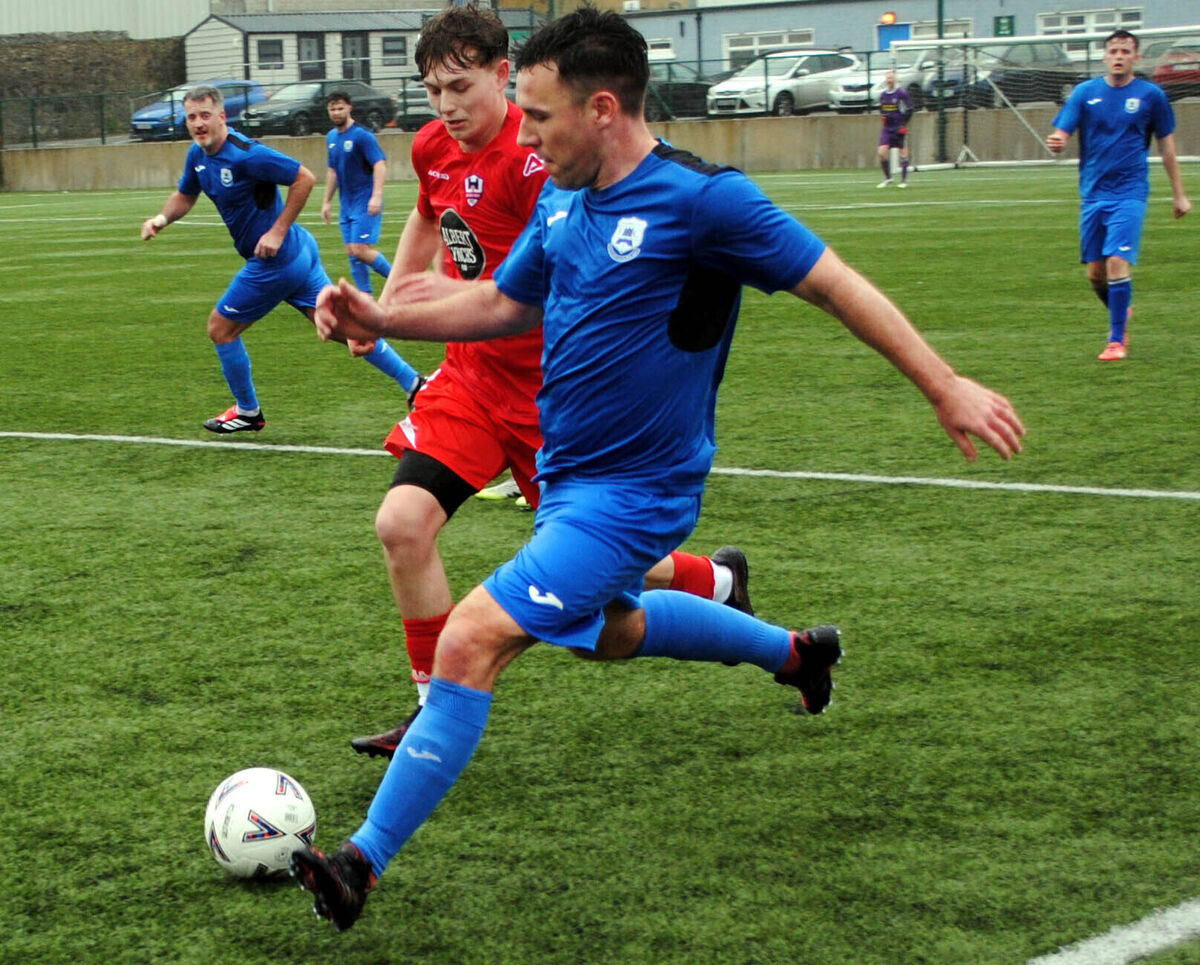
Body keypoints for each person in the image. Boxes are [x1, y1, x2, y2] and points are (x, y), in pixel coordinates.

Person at [291, 6, 1025, 932]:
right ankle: (798, 652)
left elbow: (833, 282)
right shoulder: (564, 200)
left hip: (637, 497)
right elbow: (505, 306)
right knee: (609, 631)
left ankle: (360, 861)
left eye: (544, 116)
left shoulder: (705, 202)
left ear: (602, 109)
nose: (532, 134)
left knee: (471, 638)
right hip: (569, 483)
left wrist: (944, 382)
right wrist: (381, 318)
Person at [349, 3, 759, 762]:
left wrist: (439, 301)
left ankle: (716, 580)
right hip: (472, 381)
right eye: (433, 90)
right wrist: (391, 299)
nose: (445, 107)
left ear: (505, 74)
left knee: (608, 589)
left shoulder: (544, 156)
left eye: (461, 86)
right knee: (402, 523)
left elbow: (544, 281)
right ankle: (429, 711)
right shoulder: (437, 145)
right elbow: (431, 211)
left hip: (553, 396)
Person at [140, 84, 421, 433]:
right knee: (340, 327)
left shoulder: (246, 154)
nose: (198, 123)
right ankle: (416, 384)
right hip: (299, 253)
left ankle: (248, 411)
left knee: (220, 329)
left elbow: (303, 178)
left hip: (277, 262)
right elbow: (185, 194)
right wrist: (160, 220)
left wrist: (276, 231)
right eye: (191, 117)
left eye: (205, 115)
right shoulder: (198, 156)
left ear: (222, 117)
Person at [1047, 29, 1190, 361]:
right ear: (1105, 56)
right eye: (1114, 50)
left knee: (1116, 261)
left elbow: (1166, 146)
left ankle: (1116, 340)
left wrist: (1178, 194)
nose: (1119, 56)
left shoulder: (1151, 95)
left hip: (1130, 192)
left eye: (1126, 51)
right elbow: (1062, 129)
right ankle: (1120, 310)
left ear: (1136, 57)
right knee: (1095, 273)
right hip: (1094, 194)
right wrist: (1057, 139)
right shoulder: (1085, 93)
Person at [320, 90, 401, 299]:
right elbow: (333, 171)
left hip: (364, 201)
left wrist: (377, 195)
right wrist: (326, 201)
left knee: (359, 249)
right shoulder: (331, 137)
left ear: (349, 108)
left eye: (340, 108)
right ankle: (366, 298)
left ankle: (398, 282)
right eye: (332, 108)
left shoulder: (362, 136)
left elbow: (379, 163)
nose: (336, 112)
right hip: (346, 204)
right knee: (352, 253)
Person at [876, 70, 912, 188]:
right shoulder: (883, 95)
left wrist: (903, 124)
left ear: (895, 80)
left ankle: (903, 180)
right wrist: (884, 116)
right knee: (881, 153)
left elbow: (910, 109)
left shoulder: (901, 94)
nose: (889, 80)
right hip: (887, 129)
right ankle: (888, 178)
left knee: (903, 153)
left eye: (891, 78)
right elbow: (882, 109)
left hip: (898, 128)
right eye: (887, 78)